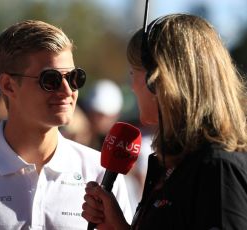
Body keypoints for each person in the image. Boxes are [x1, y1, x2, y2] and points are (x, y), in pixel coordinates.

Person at [0, 20, 132, 229]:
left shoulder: (101, 171)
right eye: (51, 79)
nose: (68, 91)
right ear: (8, 85)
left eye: (75, 77)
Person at [81, 13, 247, 229]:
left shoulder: (219, 166)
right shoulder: (173, 163)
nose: (132, 86)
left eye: (133, 73)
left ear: (157, 80)